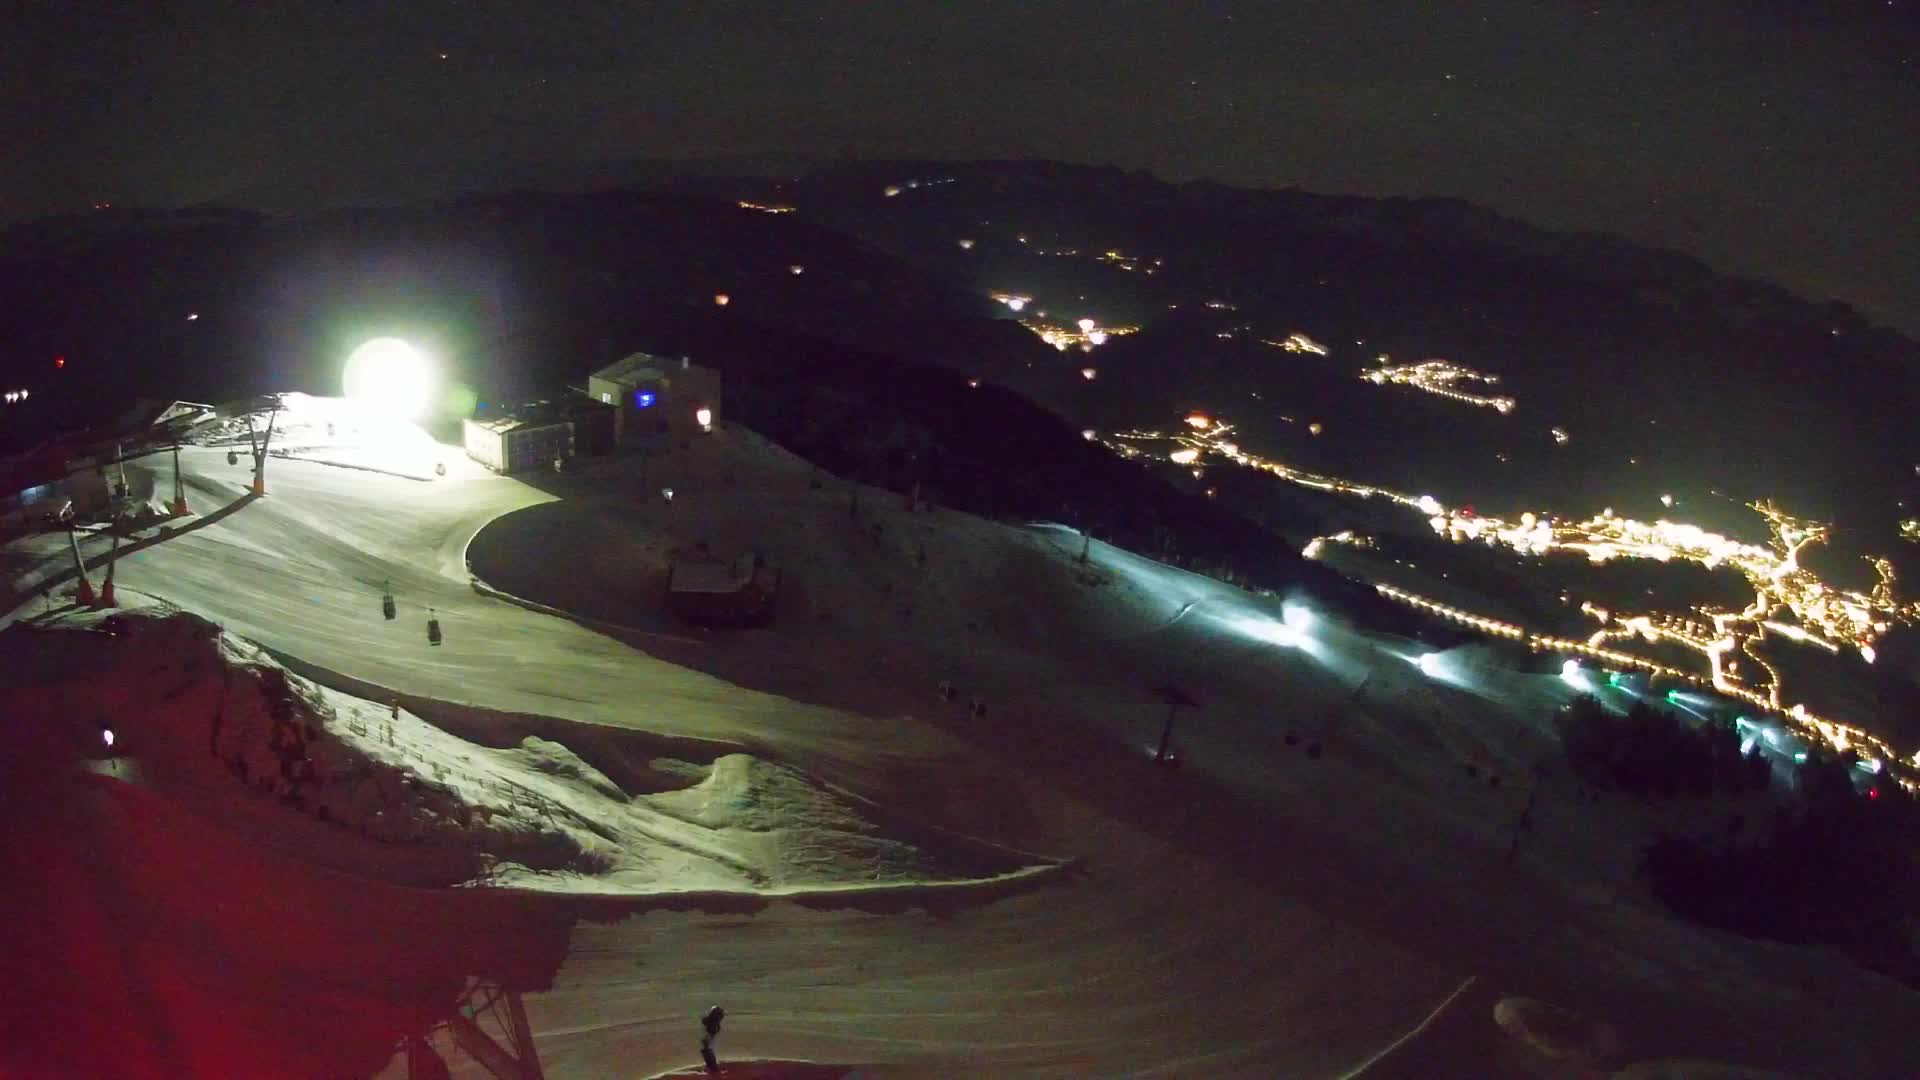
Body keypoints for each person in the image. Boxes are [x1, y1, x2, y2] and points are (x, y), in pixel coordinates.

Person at [700, 1005, 725, 1073]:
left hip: (708, 1039)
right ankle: (712, 1066)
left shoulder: (713, 1024)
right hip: (708, 1040)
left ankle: (711, 1067)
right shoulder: (715, 1025)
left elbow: (704, 1021)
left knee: (706, 1049)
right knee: (707, 1049)